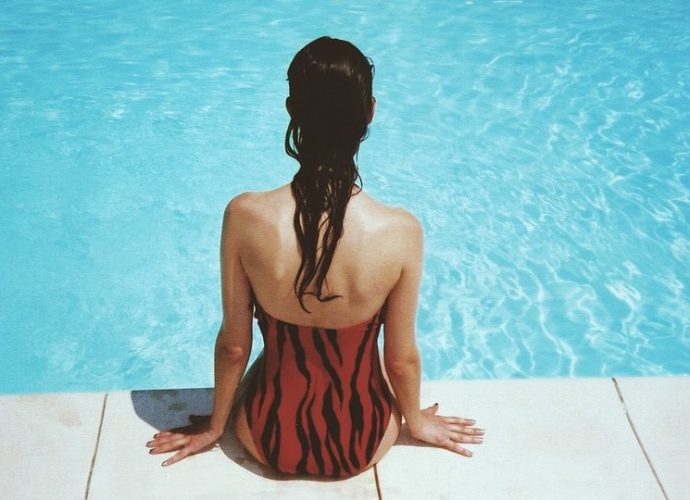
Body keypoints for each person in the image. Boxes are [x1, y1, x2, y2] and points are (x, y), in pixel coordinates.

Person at [145, 36, 483, 476]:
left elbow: (233, 346)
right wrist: (414, 421)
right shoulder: (400, 230)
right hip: (364, 442)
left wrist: (214, 427)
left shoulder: (245, 215)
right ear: (370, 112)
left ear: (292, 110)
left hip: (266, 437)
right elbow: (400, 359)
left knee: (276, 358)